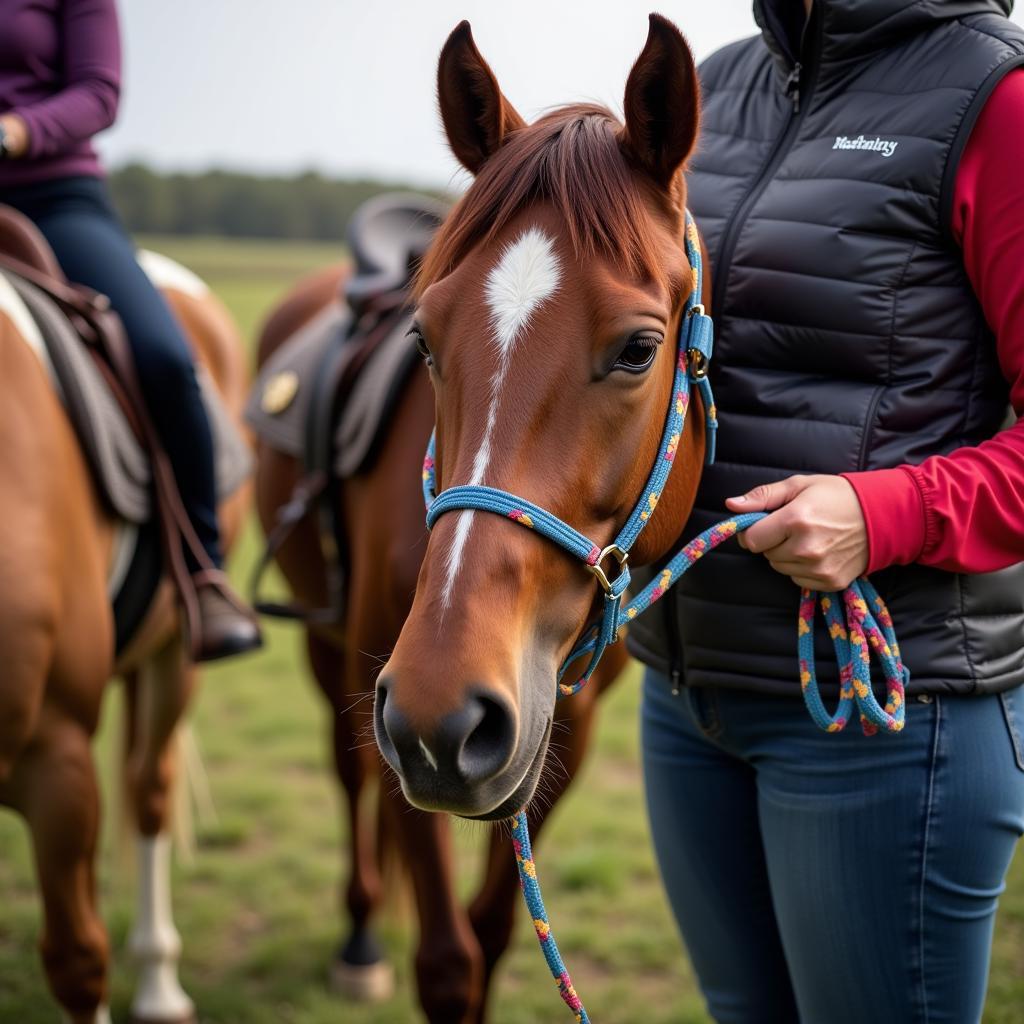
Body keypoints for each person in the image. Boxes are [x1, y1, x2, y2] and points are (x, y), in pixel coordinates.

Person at [627, 1, 1024, 1021]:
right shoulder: (713, 83)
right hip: (686, 690)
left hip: (882, 710)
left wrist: (881, 510)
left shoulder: (998, 98)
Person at [0, 0, 261, 661]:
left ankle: (202, 571)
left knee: (164, 356)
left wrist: (12, 133)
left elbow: (97, 92)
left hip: (50, 197)